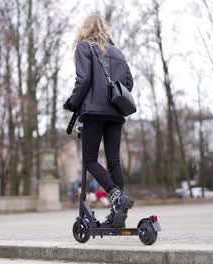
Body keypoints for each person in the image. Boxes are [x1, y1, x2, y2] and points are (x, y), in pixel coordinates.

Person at [63, 15, 134, 228]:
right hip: (116, 112)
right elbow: (129, 83)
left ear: (85, 28)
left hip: (93, 111)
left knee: (90, 160)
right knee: (114, 161)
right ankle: (117, 215)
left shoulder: (84, 47)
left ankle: (115, 196)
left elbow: (83, 80)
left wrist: (72, 103)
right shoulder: (118, 52)